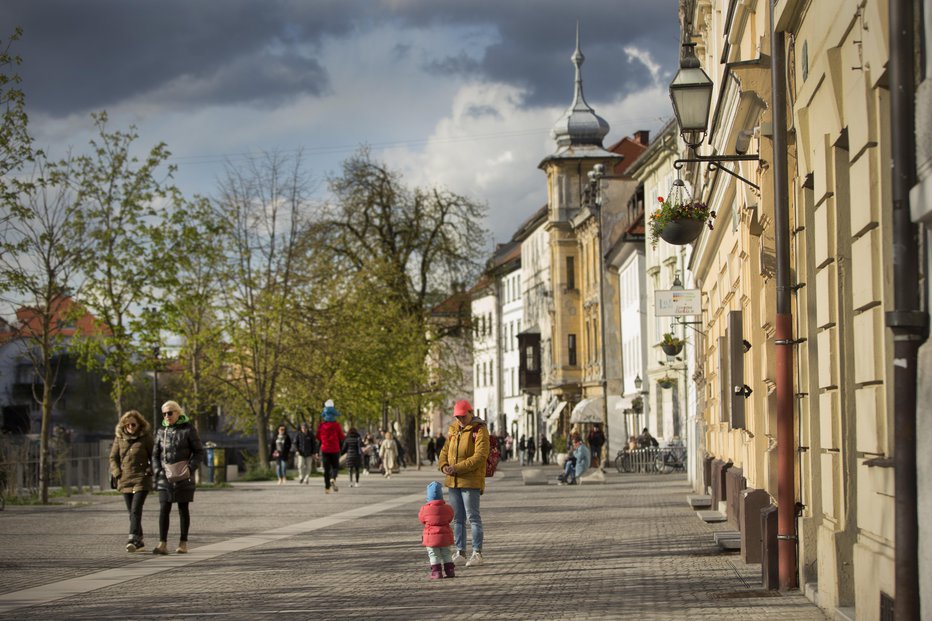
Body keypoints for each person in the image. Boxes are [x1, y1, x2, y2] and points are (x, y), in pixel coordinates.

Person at [438, 399, 490, 568]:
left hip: (470, 480)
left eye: (462, 416)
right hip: (453, 481)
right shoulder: (453, 429)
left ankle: (477, 553)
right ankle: (460, 551)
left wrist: (456, 468)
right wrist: (444, 465)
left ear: (470, 412)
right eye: (457, 417)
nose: (460, 419)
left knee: (473, 517)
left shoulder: (479, 430)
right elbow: (445, 451)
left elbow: (479, 457)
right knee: (457, 519)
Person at [152, 400, 205, 555]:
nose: (167, 416)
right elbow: (155, 455)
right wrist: (157, 472)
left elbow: (199, 452)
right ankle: (162, 543)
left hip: (184, 476)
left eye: (170, 413)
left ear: (177, 412)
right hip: (165, 476)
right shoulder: (161, 431)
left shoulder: (188, 429)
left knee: (183, 509)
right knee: (164, 508)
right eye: (164, 414)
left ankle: (183, 543)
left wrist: (189, 469)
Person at [109, 410, 153, 553]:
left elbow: (155, 456)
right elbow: (113, 457)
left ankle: (133, 539)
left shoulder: (145, 437)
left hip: (141, 478)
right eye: (127, 425)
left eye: (133, 424)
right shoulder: (119, 438)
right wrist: (117, 472)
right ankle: (139, 541)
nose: (130, 427)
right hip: (125, 479)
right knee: (131, 512)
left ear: (139, 424)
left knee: (135, 509)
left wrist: (149, 470)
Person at [418, 481, 456, 579]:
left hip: (431, 538)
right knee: (447, 553)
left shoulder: (424, 509)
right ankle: (450, 571)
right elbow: (450, 518)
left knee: (433, 554)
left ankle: (437, 572)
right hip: (445, 537)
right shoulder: (448, 508)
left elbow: (422, 520)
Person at [317, 400, 345, 493]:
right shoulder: (337, 426)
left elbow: (317, 436)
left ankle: (327, 488)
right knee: (335, 466)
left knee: (326, 469)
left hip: (325, 449)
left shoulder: (321, 426)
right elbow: (341, 437)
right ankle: (333, 478)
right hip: (335, 449)